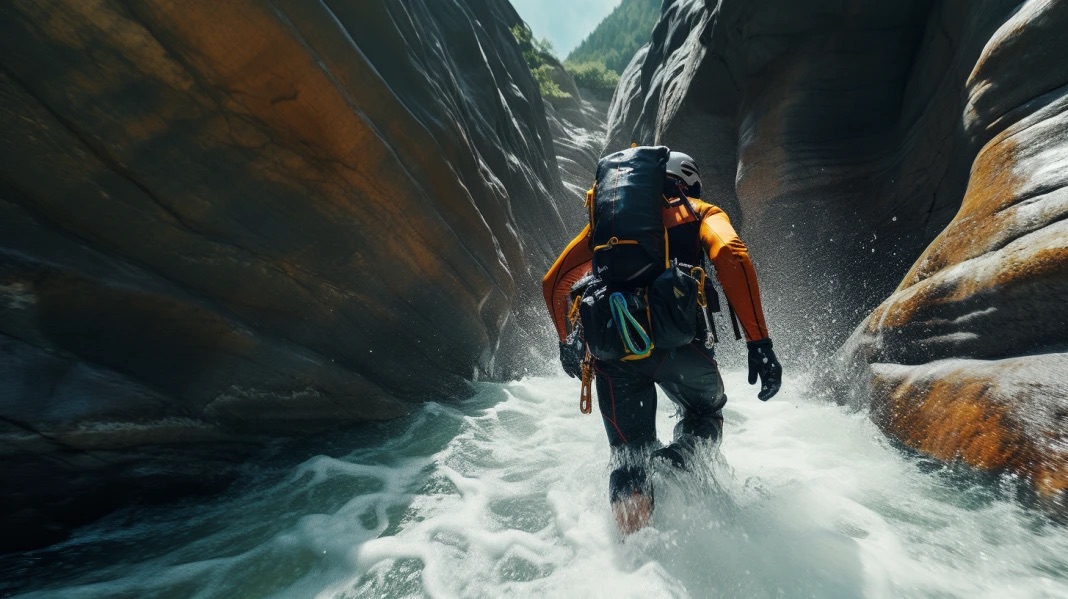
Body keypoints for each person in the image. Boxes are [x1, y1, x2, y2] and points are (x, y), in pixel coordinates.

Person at [542, 150, 782, 534]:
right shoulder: (698, 211)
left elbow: (553, 283)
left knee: (628, 460)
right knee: (704, 416)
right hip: (682, 349)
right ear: (686, 181)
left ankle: (634, 562)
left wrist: (565, 341)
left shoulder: (603, 228)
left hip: (612, 353)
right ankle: (673, 467)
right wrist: (759, 344)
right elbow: (730, 254)